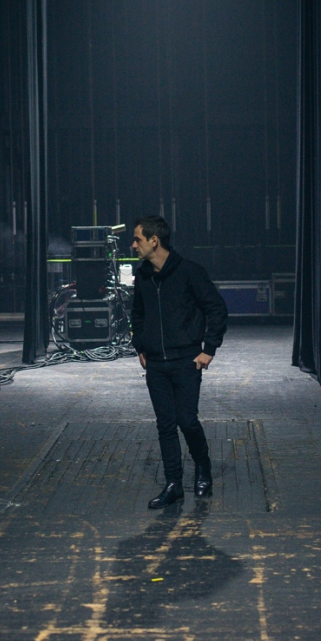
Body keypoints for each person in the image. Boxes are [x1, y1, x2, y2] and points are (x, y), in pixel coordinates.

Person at [130, 215, 228, 508]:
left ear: (154, 241)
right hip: (157, 365)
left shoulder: (190, 273)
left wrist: (209, 349)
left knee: (187, 421)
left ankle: (203, 467)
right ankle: (174, 484)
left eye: (137, 239)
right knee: (165, 425)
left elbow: (217, 310)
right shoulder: (143, 276)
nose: (133, 244)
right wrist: (140, 346)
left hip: (187, 361)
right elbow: (137, 314)